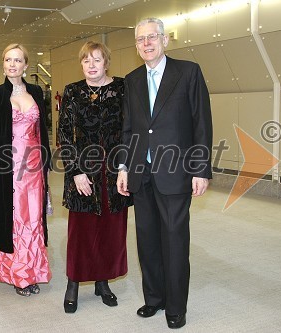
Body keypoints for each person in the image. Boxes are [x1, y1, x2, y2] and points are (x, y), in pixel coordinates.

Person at [116, 18, 213, 329]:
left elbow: (202, 123)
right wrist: (123, 167)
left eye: (152, 37)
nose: (146, 43)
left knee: (174, 242)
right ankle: (154, 299)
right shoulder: (130, 80)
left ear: (165, 40)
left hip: (175, 173)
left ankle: (175, 307)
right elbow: (128, 129)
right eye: (141, 39)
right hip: (141, 175)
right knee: (148, 241)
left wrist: (201, 169)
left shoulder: (188, 72)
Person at [58, 41, 132, 313]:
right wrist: (75, 170)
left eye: (97, 60)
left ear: (107, 62)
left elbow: (131, 128)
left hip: (115, 173)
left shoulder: (123, 88)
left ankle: (103, 282)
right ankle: (73, 283)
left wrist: (126, 166)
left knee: (111, 231)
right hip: (83, 171)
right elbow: (64, 134)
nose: (91, 65)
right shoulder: (73, 91)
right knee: (81, 232)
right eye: (86, 60)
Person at [0, 43, 52, 297]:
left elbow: (42, 131)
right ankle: (17, 274)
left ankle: (33, 270)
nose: (12, 64)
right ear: (3, 64)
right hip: (9, 166)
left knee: (34, 218)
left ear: (26, 65)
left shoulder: (36, 91)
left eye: (17, 60)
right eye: (8, 60)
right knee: (14, 218)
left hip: (34, 165)